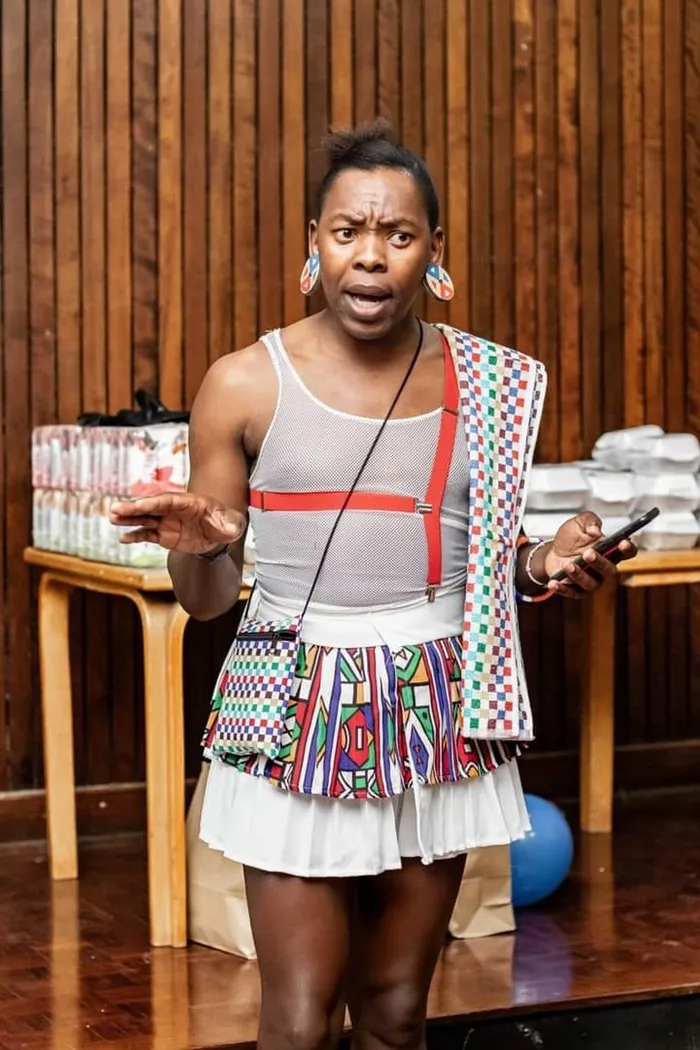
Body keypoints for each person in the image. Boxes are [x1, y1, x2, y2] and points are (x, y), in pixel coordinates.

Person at [111, 123, 635, 1050]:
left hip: (437, 705)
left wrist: (544, 563)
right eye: (347, 231)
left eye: (398, 235)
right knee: (301, 1022)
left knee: (395, 1015)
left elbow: (489, 561)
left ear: (435, 251)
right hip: (292, 703)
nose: (370, 255)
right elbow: (206, 600)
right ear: (313, 244)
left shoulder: (491, 384)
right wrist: (202, 549)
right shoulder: (244, 383)